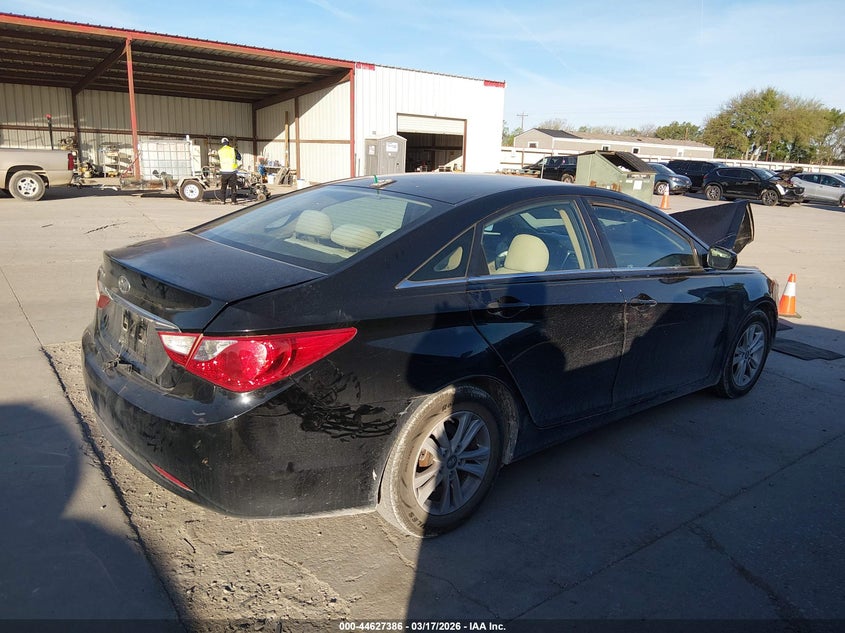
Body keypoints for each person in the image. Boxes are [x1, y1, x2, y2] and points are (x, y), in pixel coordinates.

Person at [218, 137, 241, 203]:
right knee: (233, 187)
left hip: (224, 172)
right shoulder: (232, 150)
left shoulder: (219, 151)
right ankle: (233, 201)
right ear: (228, 143)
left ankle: (222, 200)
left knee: (223, 186)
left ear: (222, 143)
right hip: (232, 171)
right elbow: (239, 158)